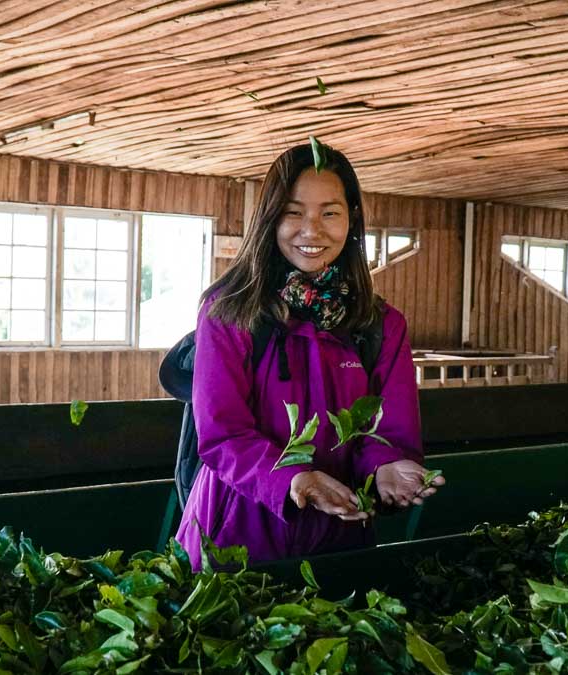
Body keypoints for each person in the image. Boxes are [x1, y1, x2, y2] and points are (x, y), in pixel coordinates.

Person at [174, 141, 444, 570]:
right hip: (235, 533)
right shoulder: (230, 311)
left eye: (330, 213)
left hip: (339, 532)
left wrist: (389, 469)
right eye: (294, 212)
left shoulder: (379, 324)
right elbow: (223, 435)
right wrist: (293, 479)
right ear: (270, 219)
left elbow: (387, 435)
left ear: (351, 219)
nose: (311, 230)